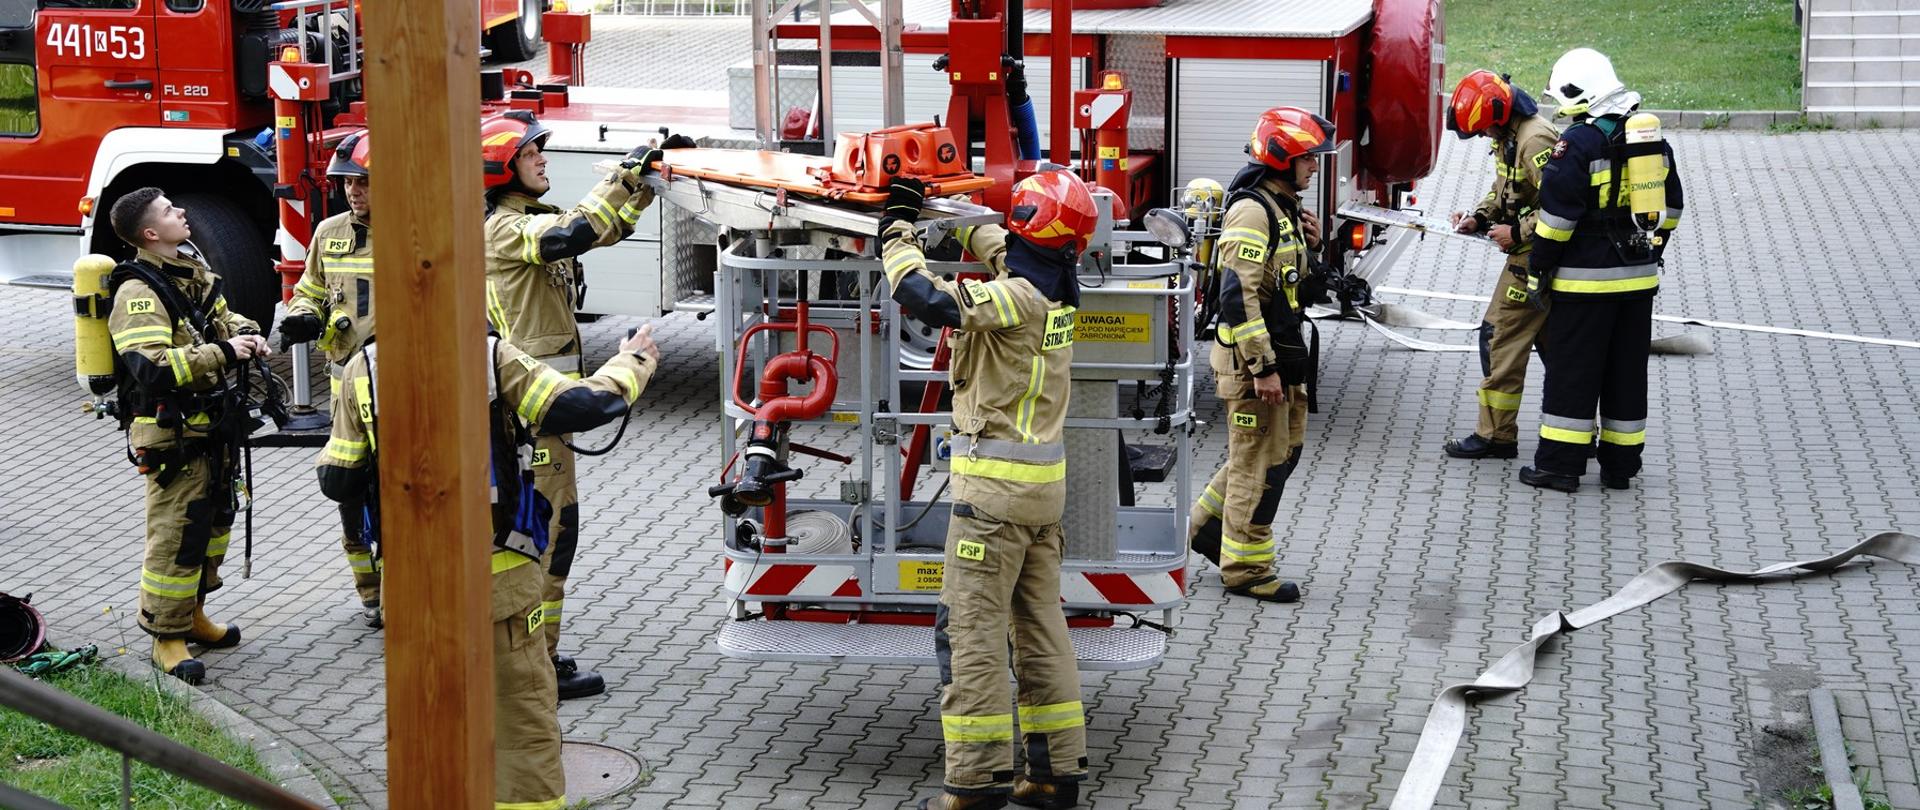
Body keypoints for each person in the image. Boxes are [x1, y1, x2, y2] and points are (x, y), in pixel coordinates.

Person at [314, 324, 659, 810]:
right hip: (495, 583)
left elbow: (338, 480)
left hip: (413, 589)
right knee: (521, 722)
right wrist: (633, 362)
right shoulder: (488, 355)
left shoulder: (363, 367)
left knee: (430, 725)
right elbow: (576, 407)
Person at [881, 171, 1097, 810]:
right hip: (1040, 499)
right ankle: (1056, 774)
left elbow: (925, 298)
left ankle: (976, 783)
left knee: (970, 632)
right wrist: (961, 216)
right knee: (1039, 626)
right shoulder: (1057, 290)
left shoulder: (1015, 300)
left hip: (992, 502)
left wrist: (899, 230)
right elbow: (1008, 249)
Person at [478, 109, 693, 698]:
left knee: (558, 530)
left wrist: (648, 182)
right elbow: (575, 232)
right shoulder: (501, 228)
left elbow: (601, 230)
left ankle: (538, 656)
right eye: (530, 154)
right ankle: (533, 667)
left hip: (550, 412)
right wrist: (627, 172)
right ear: (503, 169)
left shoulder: (525, 218)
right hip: (536, 413)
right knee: (546, 533)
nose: (542, 158)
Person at [105, 186, 270, 684]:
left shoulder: (188, 273)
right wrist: (226, 353)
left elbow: (221, 317)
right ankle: (166, 637)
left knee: (213, 523)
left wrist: (247, 332)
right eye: (169, 211)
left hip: (210, 426)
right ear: (151, 234)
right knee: (178, 531)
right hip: (171, 435)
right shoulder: (138, 292)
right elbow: (150, 366)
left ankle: (193, 616)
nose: (181, 211)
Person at [1520, 48, 1684, 492]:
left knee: (1574, 373)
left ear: (1579, 95)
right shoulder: (1650, 141)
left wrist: (1539, 268)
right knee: (1626, 374)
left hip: (1584, 284)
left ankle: (1559, 466)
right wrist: (1649, 247)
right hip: (1639, 280)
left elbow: (1555, 221)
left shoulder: (1577, 144)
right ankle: (1620, 466)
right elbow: (1670, 209)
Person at [1186, 106, 1333, 604]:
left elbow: (1287, 285)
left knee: (1275, 454)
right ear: (1282, 159)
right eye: (1308, 159)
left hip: (1276, 360)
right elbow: (1237, 297)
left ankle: (1205, 530)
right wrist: (1263, 368)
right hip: (1255, 368)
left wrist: (1313, 248)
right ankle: (1247, 569)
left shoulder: (1283, 206)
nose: (1314, 167)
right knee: (1259, 466)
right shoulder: (1253, 211)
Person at [280, 130, 385, 626]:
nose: (352, 191)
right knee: (347, 489)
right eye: (346, 183)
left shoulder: (417, 230)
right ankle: (370, 593)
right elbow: (311, 289)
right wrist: (302, 313)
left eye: (362, 182)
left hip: (397, 386)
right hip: (346, 385)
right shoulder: (329, 232)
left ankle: (404, 583)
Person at [1441, 70, 1562, 461]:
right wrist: (1479, 216)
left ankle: (1495, 435)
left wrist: (1517, 232)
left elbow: (1561, 204)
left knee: (1500, 335)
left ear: (1498, 114)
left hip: (1534, 255)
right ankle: (1573, 429)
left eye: (1483, 129)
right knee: (1556, 346)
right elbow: (1505, 188)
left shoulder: (1535, 140)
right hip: (1537, 252)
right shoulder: (1510, 135)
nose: (1483, 136)